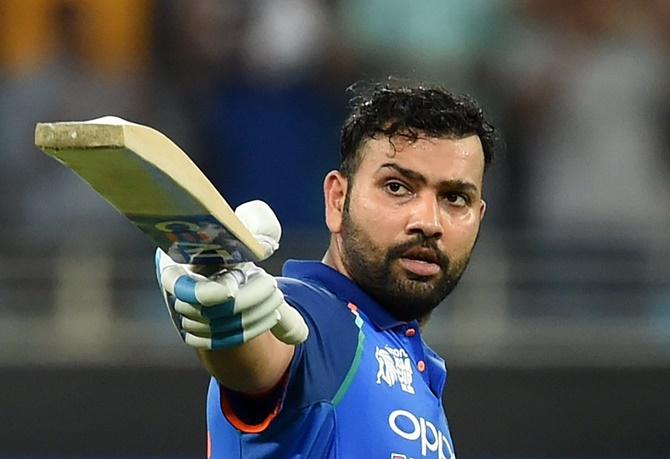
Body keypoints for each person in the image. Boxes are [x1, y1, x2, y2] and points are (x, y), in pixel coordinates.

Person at [155, 81, 499, 458]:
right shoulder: (314, 319)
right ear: (337, 200)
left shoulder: (416, 366)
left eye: (454, 198)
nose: (429, 221)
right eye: (398, 187)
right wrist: (226, 319)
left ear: (479, 217)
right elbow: (262, 354)